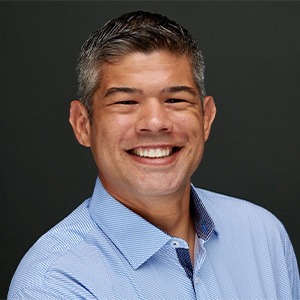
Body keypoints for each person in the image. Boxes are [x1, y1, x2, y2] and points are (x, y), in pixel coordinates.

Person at [8, 11, 299, 300]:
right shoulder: (53, 285)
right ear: (83, 125)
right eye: (126, 102)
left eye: (175, 99)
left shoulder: (263, 236)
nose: (156, 122)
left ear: (206, 117)